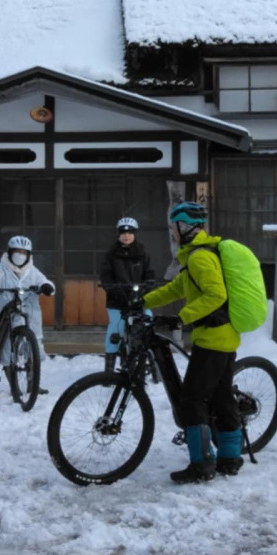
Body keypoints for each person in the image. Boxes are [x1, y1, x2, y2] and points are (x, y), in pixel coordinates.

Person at [142, 201, 242, 484]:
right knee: (221, 397)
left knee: (192, 399)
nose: (171, 232)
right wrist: (143, 301)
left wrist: (180, 319)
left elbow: (216, 295)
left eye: (172, 226)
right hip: (221, 335)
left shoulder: (199, 257)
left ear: (183, 226)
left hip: (213, 338)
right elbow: (177, 288)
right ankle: (230, 458)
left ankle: (201, 465)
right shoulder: (196, 255)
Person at [0, 236, 56, 370]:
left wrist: (46, 287)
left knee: (34, 349)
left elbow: (44, 281)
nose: (20, 255)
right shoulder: (0, 270)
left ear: (28, 255)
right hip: (7, 315)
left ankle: (33, 384)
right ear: (10, 252)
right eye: (17, 251)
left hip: (30, 316)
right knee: (6, 347)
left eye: (24, 252)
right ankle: (12, 381)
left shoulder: (32, 271)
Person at [99, 216, 157, 374]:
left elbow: (150, 274)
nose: (126, 235)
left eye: (130, 232)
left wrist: (148, 286)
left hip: (139, 299)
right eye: (123, 232)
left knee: (148, 323)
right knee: (115, 330)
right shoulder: (111, 254)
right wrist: (115, 291)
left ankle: (152, 364)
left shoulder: (142, 253)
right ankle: (109, 370)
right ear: (118, 234)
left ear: (135, 233)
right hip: (117, 300)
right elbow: (105, 277)